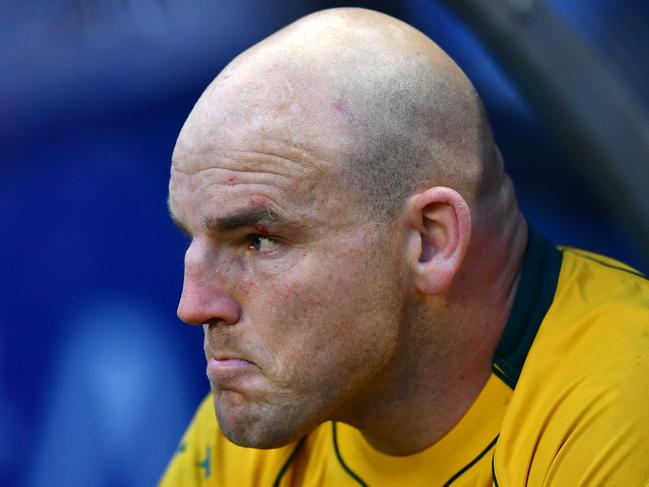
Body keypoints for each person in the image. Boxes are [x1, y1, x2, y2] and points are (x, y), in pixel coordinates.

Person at [160, 8, 649, 486]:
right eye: (191, 239)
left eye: (259, 241)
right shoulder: (277, 402)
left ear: (431, 242)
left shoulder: (623, 401)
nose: (194, 306)